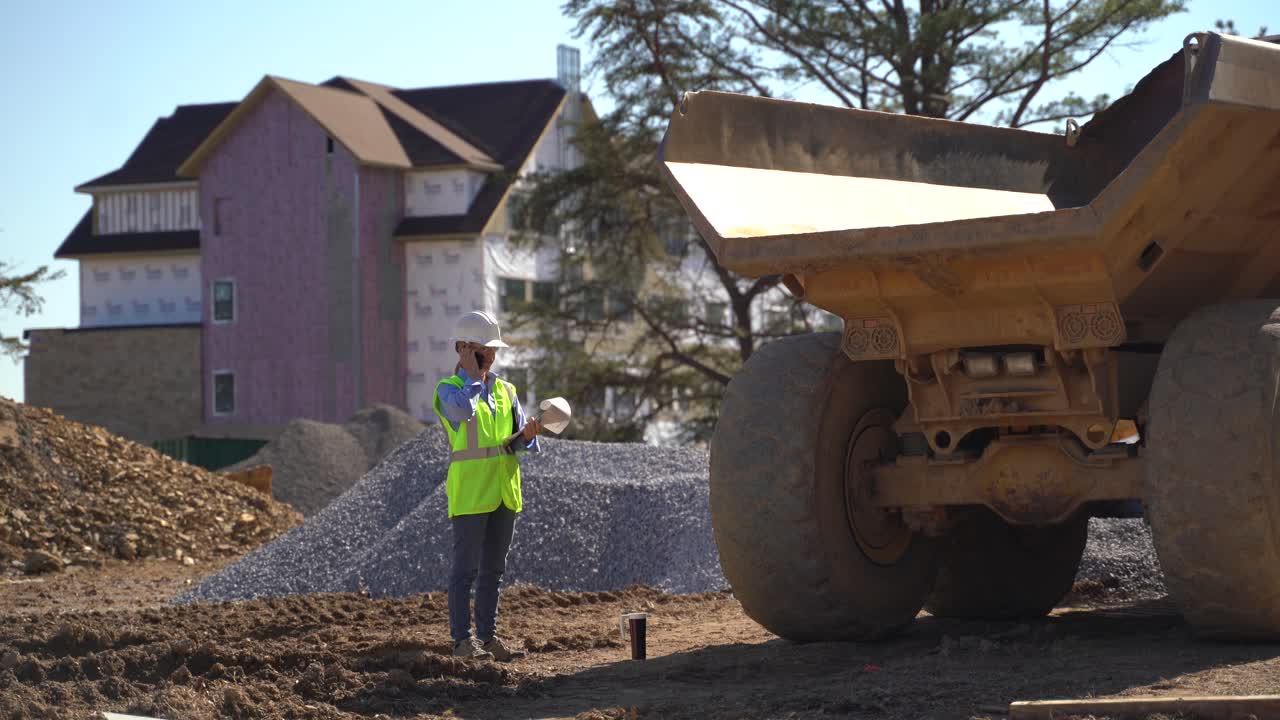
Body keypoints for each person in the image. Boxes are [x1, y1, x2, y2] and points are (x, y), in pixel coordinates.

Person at [432, 310, 541, 661]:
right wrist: (472, 375)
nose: (491, 356)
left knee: (493, 571)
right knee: (465, 571)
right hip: (470, 492)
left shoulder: (507, 390)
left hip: (504, 491)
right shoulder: (448, 390)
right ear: (463, 349)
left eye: (493, 350)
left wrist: (527, 435)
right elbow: (462, 413)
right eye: (483, 350)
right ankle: (462, 642)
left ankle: (489, 638)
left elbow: (518, 444)